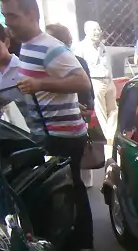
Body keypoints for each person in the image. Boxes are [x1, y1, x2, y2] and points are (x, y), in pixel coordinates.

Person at [2, 0, 94, 251]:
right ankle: (73, 238)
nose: (9, 22)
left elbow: (82, 82)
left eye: (12, 16)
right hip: (47, 132)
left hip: (62, 134)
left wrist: (40, 86)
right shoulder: (29, 47)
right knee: (64, 187)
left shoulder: (51, 47)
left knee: (70, 188)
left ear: (32, 15)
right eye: (5, 16)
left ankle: (80, 240)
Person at [47, 23, 97, 189]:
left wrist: (88, 105)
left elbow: (86, 85)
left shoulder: (68, 62)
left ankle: (85, 179)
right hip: (79, 112)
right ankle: (86, 180)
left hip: (75, 116)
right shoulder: (77, 60)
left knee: (79, 152)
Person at [73, 21, 118, 146]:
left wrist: (111, 79)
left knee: (113, 110)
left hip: (108, 80)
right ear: (86, 31)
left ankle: (112, 134)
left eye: (99, 29)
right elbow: (79, 67)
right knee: (101, 111)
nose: (98, 32)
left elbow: (107, 63)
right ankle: (109, 138)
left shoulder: (102, 46)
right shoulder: (80, 48)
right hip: (95, 81)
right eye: (94, 30)